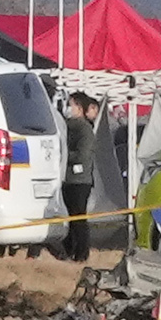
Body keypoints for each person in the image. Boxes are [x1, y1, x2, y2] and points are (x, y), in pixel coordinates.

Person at [56, 91, 100, 260]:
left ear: (80, 108)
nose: (68, 108)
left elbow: (82, 155)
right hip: (67, 179)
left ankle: (81, 254)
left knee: (78, 217)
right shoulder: (65, 126)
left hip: (80, 181)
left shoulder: (84, 129)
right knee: (69, 217)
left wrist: (64, 155)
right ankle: (68, 250)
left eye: (71, 104)